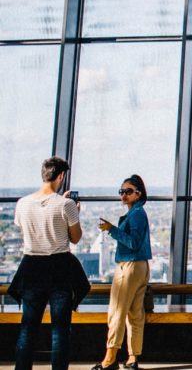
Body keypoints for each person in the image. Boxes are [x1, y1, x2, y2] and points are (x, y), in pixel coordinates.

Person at [8, 157, 90, 370]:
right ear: (61, 176)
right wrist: (74, 213)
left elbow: (23, 229)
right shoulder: (67, 204)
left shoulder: (23, 203)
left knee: (28, 328)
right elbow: (75, 238)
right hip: (59, 269)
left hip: (31, 267)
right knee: (60, 331)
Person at [92, 175, 153, 370]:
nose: (123, 195)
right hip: (140, 266)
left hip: (129, 266)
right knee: (135, 313)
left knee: (117, 312)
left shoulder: (136, 214)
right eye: (121, 191)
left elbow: (133, 242)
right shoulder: (137, 213)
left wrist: (112, 229)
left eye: (128, 191)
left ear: (138, 194)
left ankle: (110, 359)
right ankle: (133, 357)